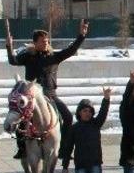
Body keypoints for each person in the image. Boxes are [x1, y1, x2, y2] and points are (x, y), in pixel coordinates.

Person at [6, 19, 88, 156]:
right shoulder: (28, 56)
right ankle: (22, 148)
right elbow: (13, 61)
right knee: (22, 119)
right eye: (43, 41)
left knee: (67, 117)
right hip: (32, 96)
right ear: (35, 43)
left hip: (50, 95)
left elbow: (71, 50)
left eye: (47, 41)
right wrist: (9, 46)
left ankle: (63, 149)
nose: (46, 43)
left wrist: (81, 35)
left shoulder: (54, 57)